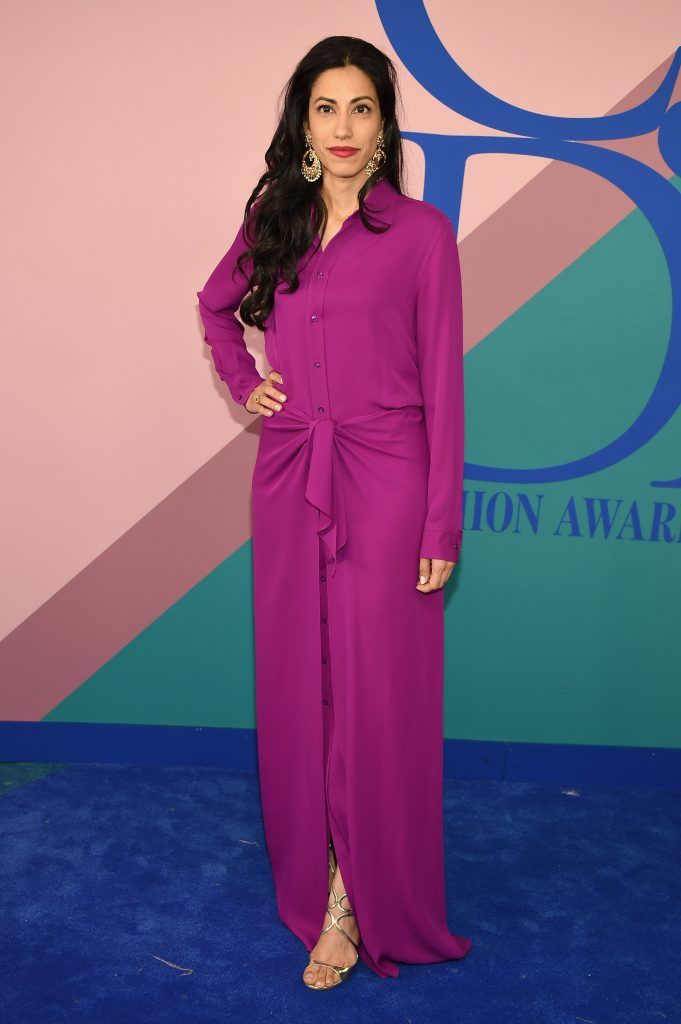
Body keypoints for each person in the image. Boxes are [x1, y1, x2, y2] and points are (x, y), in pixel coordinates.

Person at [196, 35, 471, 989]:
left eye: (361, 107)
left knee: (372, 696)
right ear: (302, 123)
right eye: (325, 107)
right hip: (287, 475)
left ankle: (354, 903)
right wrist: (245, 381)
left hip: (388, 484)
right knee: (299, 685)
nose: (344, 127)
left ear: (385, 122)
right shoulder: (274, 217)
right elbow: (214, 306)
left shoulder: (425, 236)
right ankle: (312, 871)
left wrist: (441, 523)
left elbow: (442, 385)